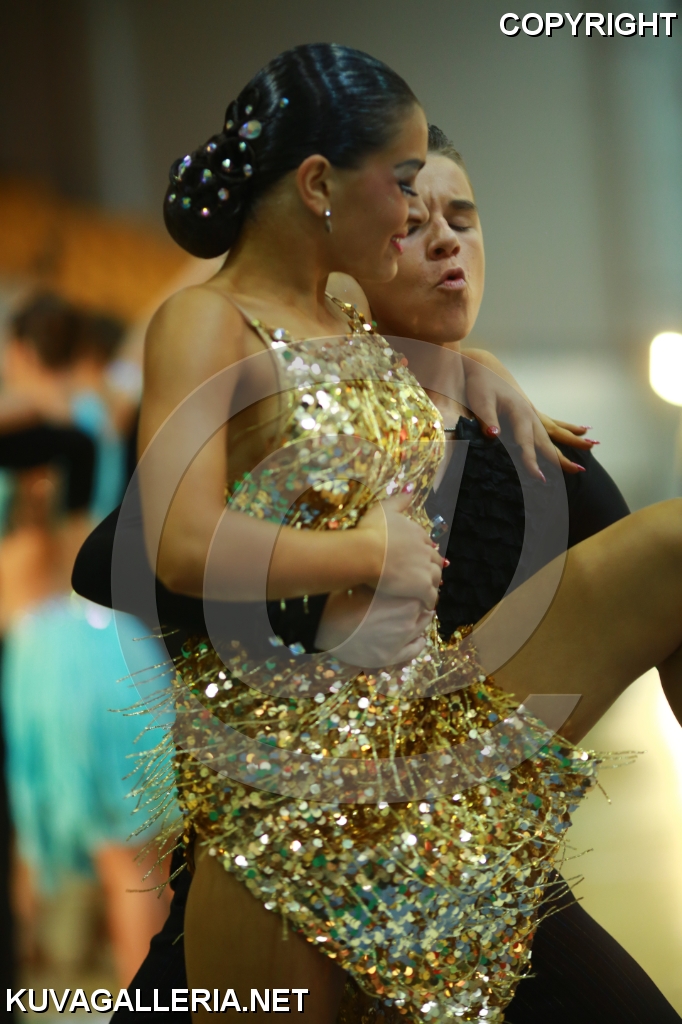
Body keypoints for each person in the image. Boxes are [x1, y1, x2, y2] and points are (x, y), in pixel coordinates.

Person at [98, 41, 682, 1024]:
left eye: (461, 216)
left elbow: (401, 368)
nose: (429, 227)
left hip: (432, 751)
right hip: (302, 775)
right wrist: (361, 554)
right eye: (408, 198)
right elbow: (158, 545)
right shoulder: (219, 327)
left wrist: (476, 368)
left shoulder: (419, 378)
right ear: (320, 190)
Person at [0, 294, 170, 985]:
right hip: (119, 641)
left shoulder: (24, 427)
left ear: (18, 350)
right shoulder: (105, 411)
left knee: (66, 850)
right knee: (136, 858)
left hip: (50, 651)